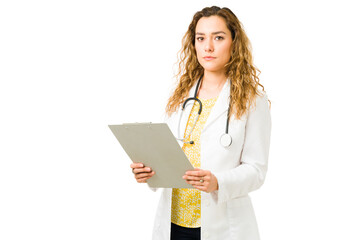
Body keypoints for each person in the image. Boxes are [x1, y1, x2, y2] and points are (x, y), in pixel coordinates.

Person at [130, 6, 271, 240]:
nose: (208, 47)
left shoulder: (252, 99)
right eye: (200, 38)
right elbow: (168, 154)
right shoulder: (182, 94)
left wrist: (218, 182)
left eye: (218, 37)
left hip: (222, 226)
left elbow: (257, 170)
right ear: (193, 44)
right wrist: (149, 172)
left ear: (234, 42)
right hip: (174, 222)